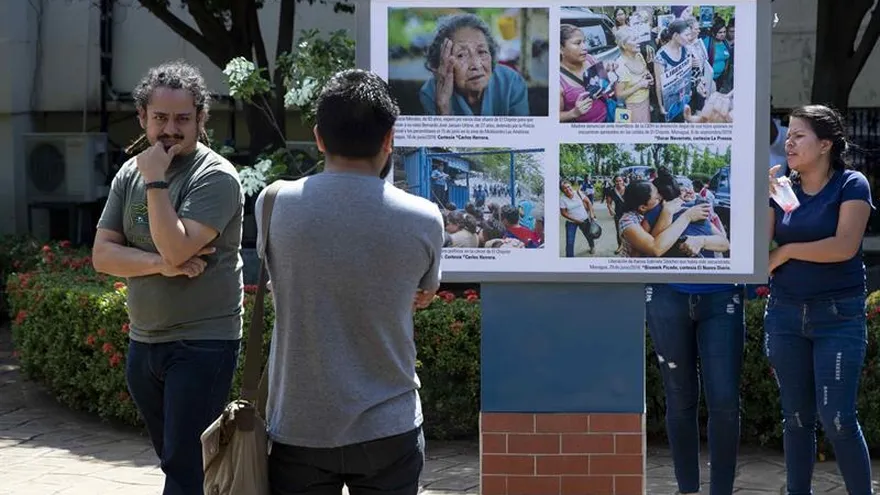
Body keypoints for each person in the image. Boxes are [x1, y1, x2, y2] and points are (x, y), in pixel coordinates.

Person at [257, 69, 444, 495]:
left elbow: (279, 279)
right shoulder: (423, 218)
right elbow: (425, 290)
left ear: (319, 138)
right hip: (389, 425)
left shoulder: (272, 204)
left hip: (299, 424)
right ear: (389, 139)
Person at [92, 61, 244, 495]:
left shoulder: (215, 176)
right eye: (160, 118)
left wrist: (156, 181)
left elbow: (178, 247)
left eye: (182, 119)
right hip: (144, 340)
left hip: (203, 342)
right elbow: (103, 255)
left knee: (185, 467)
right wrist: (161, 265)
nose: (170, 130)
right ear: (142, 117)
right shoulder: (129, 174)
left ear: (201, 118)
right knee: (176, 462)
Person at [766, 105, 874, 494]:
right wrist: (762, 199)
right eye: (789, 134)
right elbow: (762, 251)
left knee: (838, 419)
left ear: (825, 144)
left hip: (838, 317)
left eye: (799, 136)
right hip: (785, 314)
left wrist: (787, 252)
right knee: (796, 419)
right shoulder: (784, 190)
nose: (789, 142)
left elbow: (844, 246)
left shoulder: (851, 184)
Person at [420, 13, 529, 116]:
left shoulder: (512, 82)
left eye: (482, 52)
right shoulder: (430, 92)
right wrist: (443, 107)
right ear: (442, 63)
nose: (476, 65)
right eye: (461, 55)